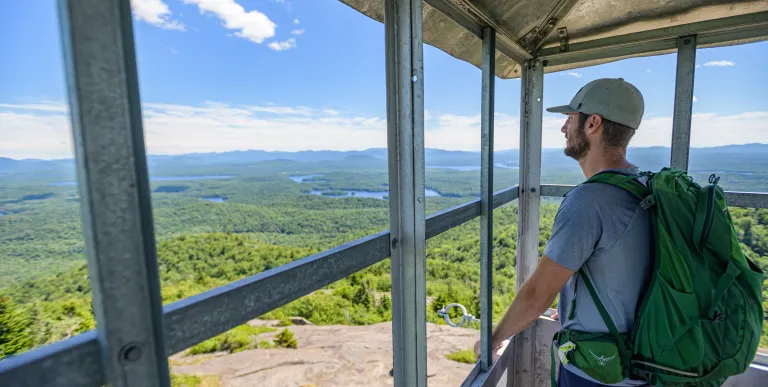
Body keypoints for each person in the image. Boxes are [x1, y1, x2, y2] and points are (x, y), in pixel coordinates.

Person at [473, 78, 652, 387]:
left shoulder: (590, 200)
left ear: (592, 123)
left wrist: (493, 339)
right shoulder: (643, 186)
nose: (563, 128)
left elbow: (536, 294)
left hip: (600, 370)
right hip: (643, 361)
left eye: (570, 119)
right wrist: (576, 307)